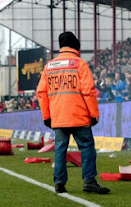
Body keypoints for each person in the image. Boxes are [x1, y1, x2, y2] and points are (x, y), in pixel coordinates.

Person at [37, 31, 110, 194]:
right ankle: (89, 181)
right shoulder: (80, 64)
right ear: (75, 45)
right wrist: (94, 113)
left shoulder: (49, 66)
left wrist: (46, 116)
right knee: (87, 148)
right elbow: (89, 91)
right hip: (79, 116)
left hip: (59, 117)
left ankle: (59, 183)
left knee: (60, 149)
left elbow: (41, 93)